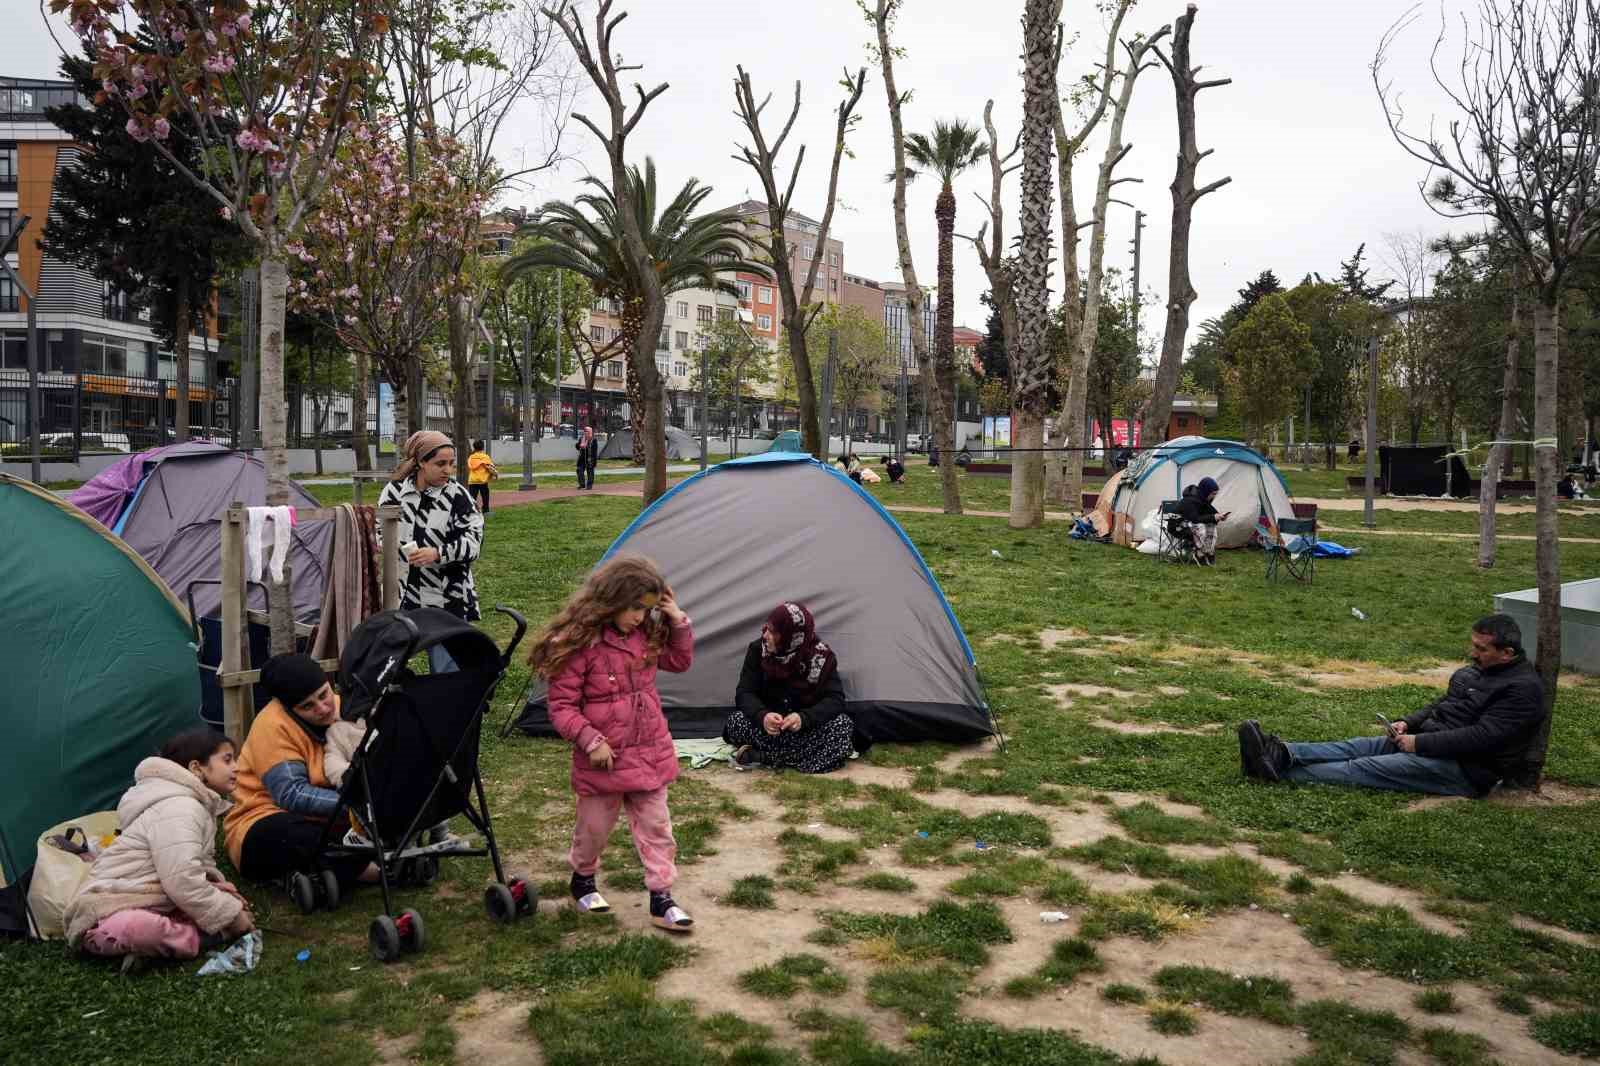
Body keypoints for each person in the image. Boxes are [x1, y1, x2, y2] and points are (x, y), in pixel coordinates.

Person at [528, 554, 696, 932]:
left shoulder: (647, 636)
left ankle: (661, 897)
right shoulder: (580, 644)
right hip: (604, 759)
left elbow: (680, 661)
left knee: (657, 827)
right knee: (594, 829)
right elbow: (562, 706)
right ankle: (583, 879)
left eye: (647, 609)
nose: (640, 616)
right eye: (635, 607)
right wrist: (591, 740)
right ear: (613, 599)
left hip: (648, 750)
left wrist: (676, 618)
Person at [1238, 614, 1547, 796]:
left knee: (1362, 768)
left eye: (1481, 648)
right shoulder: (1480, 669)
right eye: (1473, 645)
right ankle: (1282, 752)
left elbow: (1482, 737)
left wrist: (1419, 743)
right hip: (1429, 743)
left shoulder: (1522, 689)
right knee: (1355, 746)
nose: (1472, 653)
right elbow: (1443, 703)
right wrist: (1408, 724)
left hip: (1465, 769)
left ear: (1506, 653)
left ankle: (1277, 772)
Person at [64, 729, 254, 971]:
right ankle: (206, 938)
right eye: (227, 760)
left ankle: (158, 948)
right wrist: (230, 916)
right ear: (197, 768)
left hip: (158, 896)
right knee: (134, 927)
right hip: (112, 904)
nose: (236, 767)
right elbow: (182, 880)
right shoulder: (179, 807)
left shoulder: (194, 804)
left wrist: (224, 894)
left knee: (226, 900)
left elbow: (195, 867)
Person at [224, 655, 379, 896]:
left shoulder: (343, 706)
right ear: (288, 707)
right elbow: (292, 794)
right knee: (288, 833)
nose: (323, 708)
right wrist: (358, 803)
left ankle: (331, 869)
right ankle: (371, 870)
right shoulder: (272, 726)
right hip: (264, 820)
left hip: (331, 816)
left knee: (371, 822)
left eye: (323, 694)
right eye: (308, 706)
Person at [378, 430, 483, 673]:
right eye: (440, 464)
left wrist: (438, 553)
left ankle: (450, 706)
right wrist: (390, 547)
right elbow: (378, 529)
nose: (448, 470)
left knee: (448, 668)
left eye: (451, 464)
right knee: (389, 664)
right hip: (403, 592)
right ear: (421, 463)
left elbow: (473, 543)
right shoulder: (394, 492)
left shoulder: (458, 496)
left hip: (446, 597)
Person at [723, 602, 856, 774]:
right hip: (769, 730)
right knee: (735, 722)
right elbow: (744, 693)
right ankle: (798, 757)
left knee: (842, 726)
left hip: (805, 730)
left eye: (773, 632)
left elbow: (835, 700)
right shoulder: (758, 650)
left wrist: (804, 718)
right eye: (766, 628)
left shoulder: (821, 658)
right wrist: (762, 716)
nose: (765, 635)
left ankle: (764, 757)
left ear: (791, 637)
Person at [1175, 476, 1229, 566]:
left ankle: (1208, 552)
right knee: (1201, 527)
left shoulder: (1203, 499)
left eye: (1215, 494)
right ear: (1206, 491)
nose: (1214, 496)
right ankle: (1200, 554)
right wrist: (1213, 517)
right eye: (1213, 494)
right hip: (1178, 526)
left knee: (1211, 526)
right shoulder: (1189, 500)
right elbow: (1195, 519)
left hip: (1191, 523)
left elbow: (1211, 512)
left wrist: (1220, 516)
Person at [466, 439, 498, 513]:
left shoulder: (471, 457)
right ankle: (486, 510)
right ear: (483, 447)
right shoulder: (486, 457)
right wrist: (494, 475)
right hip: (483, 481)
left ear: (474, 447)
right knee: (485, 496)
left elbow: (470, 466)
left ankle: (471, 510)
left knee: (472, 497)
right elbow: (491, 467)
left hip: (473, 480)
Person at [575, 425, 599, 490]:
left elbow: (594, 451)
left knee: (590, 472)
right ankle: (582, 484)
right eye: (584, 431)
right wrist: (579, 445)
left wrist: (594, 461)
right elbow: (577, 447)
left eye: (587, 431)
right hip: (582, 459)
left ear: (590, 432)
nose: (585, 433)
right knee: (579, 470)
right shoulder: (581, 438)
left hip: (590, 458)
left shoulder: (594, 440)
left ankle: (589, 485)